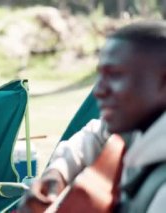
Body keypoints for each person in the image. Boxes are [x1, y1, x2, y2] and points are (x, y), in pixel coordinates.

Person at [20, 20, 166, 212]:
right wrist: (58, 173)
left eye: (114, 75)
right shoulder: (138, 127)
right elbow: (95, 135)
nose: (99, 91)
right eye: (100, 76)